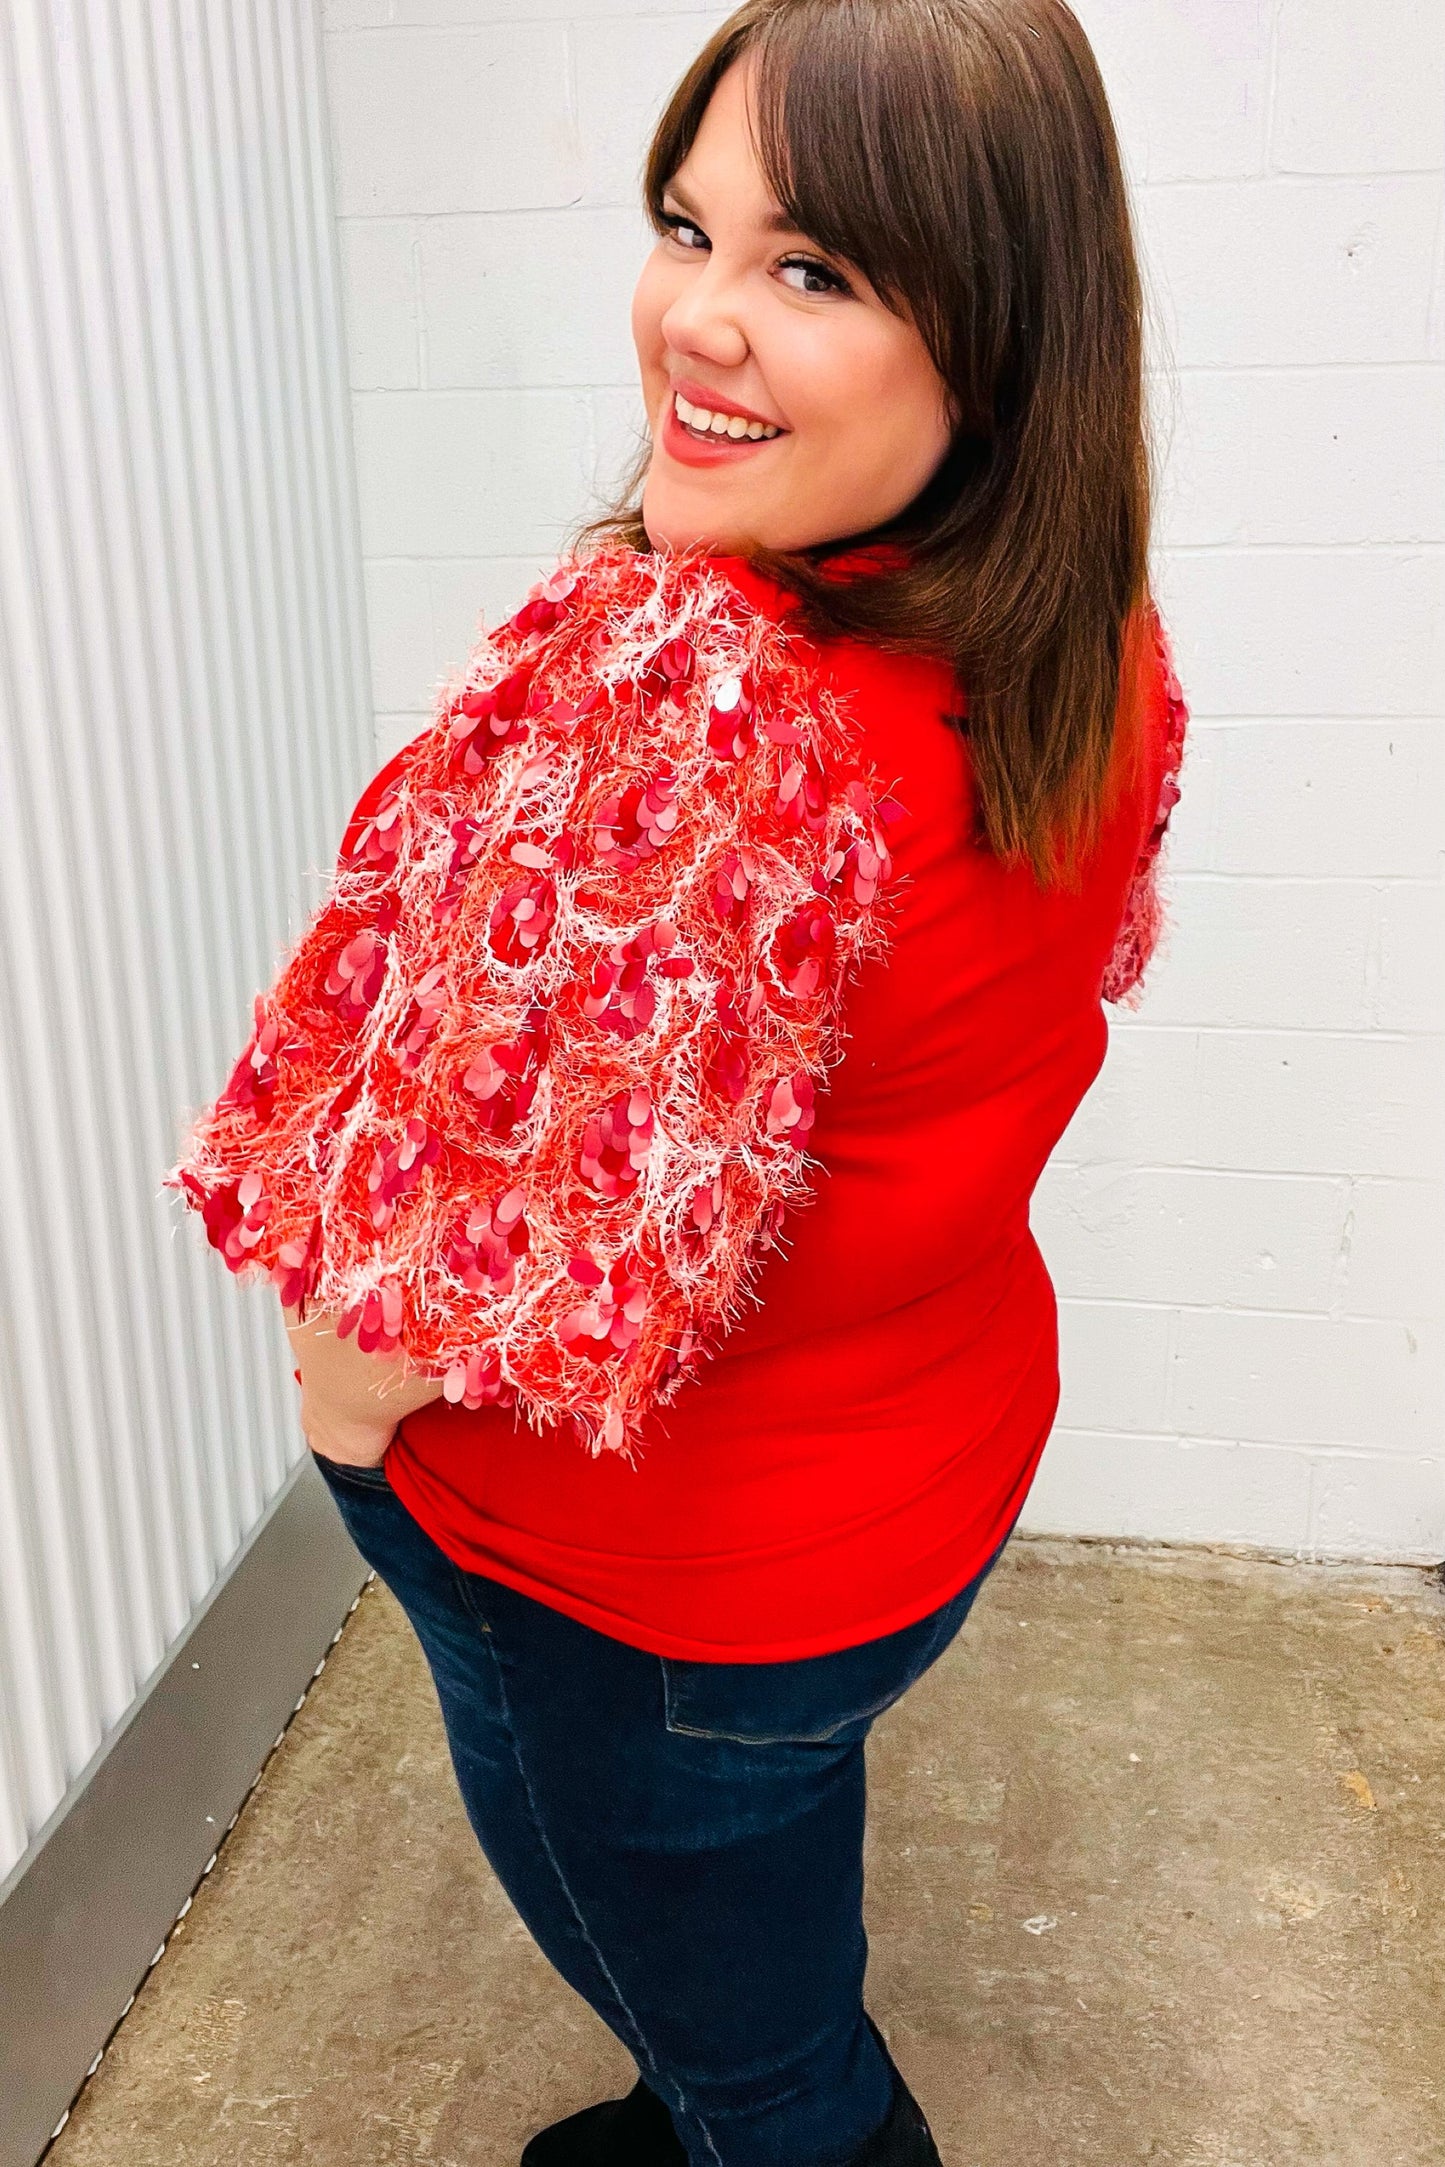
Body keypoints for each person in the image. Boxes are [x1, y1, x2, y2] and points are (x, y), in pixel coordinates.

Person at [286, 3, 1187, 2161]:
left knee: (767, 2059)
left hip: (644, 1566)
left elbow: (477, 1211)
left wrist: (344, 1397)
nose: (696, 317)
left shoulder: (696, 729)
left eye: (815, 270)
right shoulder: (1085, 641)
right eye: (689, 225)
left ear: (995, 331)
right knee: (751, 1905)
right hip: (907, 1487)